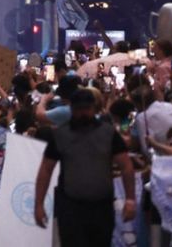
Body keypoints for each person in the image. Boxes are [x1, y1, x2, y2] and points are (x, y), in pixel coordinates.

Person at [34, 89, 136, 247]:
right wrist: (38, 204)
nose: (83, 113)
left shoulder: (108, 133)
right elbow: (46, 170)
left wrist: (130, 200)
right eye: (79, 109)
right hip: (71, 207)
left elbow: (126, 166)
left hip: (101, 206)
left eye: (86, 109)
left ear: (94, 108)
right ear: (72, 109)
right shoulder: (61, 135)